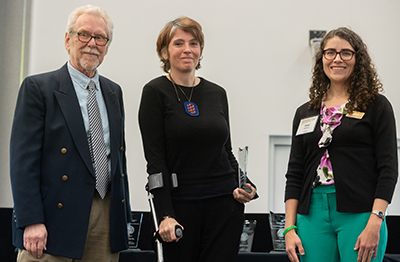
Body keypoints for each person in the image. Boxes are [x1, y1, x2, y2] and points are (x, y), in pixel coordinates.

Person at [10, 5, 131, 262]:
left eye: (100, 38)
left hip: (105, 215)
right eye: (83, 35)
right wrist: (31, 220)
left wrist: (124, 218)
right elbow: (23, 163)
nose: (92, 44)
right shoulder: (38, 88)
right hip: (52, 220)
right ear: (68, 39)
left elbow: (117, 159)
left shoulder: (113, 92)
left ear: (107, 46)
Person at [138, 16, 257, 262]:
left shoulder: (217, 93)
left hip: (224, 206)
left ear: (200, 50)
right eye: (178, 43)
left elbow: (226, 151)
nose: (187, 49)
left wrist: (244, 183)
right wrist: (164, 214)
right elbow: (155, 161)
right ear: (164, 52)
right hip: (181, 207)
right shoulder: (155, 92)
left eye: (193, 43)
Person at [284, 27, 398, 262]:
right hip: (311, 212)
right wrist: (289, 228)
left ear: (358, 59)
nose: (337, 59)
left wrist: (376, 220)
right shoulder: (305, 111)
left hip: (360, 213)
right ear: (322, 59)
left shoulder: (376, 105)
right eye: (330, 52)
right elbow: (295, 173)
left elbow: (388, 169)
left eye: (346, 53)